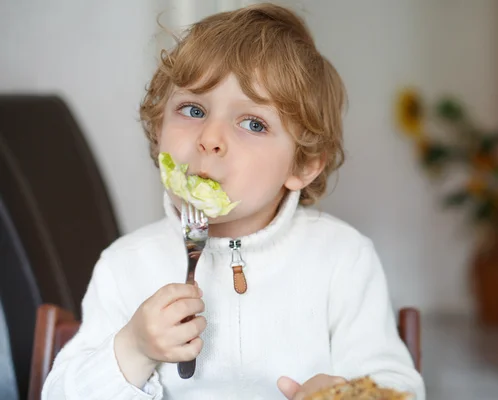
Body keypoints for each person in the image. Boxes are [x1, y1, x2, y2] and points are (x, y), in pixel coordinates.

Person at [42, 3, 425, 399]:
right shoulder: (124, 267)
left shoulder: (343, 259)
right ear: (159, 132)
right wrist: (133, 349)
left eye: (253, 123)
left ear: (304, 164)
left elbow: (396, 386)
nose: (210, 137)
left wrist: (342, 393)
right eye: (193, 109)